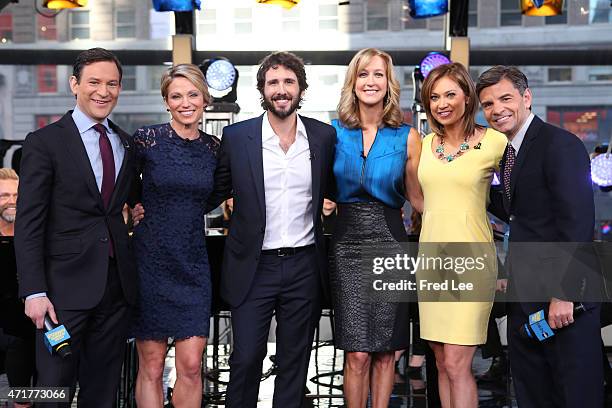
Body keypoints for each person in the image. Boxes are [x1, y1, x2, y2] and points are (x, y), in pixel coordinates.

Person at [206, 51, 336, 407]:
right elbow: (214, 192)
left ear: (301, 88)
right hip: (253, 265)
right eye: (273, 82)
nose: (281, 89)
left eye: (289, 82)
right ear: (262, 89)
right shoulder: (237, 137)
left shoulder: (324, 137)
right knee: (245, 358)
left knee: (294, 362)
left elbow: (337, 189)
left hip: (304, 265)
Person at [14, 47, 137, 407]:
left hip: (116, 291)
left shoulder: (125, 143)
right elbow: (29, 223)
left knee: (102, 393)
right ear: (74, 84)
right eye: (94, 82)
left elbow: (121, 205)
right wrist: (33, 291)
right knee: (52, 391)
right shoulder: (44, 143)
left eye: (112, 84)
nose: (103, 91)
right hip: (61, 293)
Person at [477, 65, 603, 408]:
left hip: (564, 298)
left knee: (575, 393)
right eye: (487, 104)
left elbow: (578, 221)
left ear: (526, 97)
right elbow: (518, 213)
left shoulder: (559, 144)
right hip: (525, 295)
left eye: (505, 98)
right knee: (533, 393)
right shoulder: (507, 154)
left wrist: (563, 292)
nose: (497, 109)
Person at [330, 47, 422, 407]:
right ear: (353, 82)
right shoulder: (332, 132)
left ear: (389, 83)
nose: (371, 81)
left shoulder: (407, 136)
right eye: (364, 74)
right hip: (346, 244)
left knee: (386, 351)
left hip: (391, 242)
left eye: (378, 74)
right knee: (357, 353)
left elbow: (418, 199)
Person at [417, 62, 507, 408]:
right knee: (441, 364)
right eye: (434, 96)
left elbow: (522, 196)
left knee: (457, 364)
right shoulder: (424, 145)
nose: (442, 103)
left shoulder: (495, 142)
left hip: (471, 263)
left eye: (450, 94)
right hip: (432, 264)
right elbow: (416, 197)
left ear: (468, 98)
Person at [130, 64, 219, 408]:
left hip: (193, 263)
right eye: (176, 96)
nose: (185, 102)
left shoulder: (214, 148)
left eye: (192, 94)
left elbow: (214, 195)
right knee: (151, 366)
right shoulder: (146, 140)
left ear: (204, 99)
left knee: (192, 366)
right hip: (150, 261)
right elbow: (123, 187)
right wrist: (135, 205)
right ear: (166, 102)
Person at [0, 168, 35, 408]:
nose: (11, 201)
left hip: (27, 327)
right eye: (4, 196)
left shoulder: (33, 237)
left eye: (16, 195)